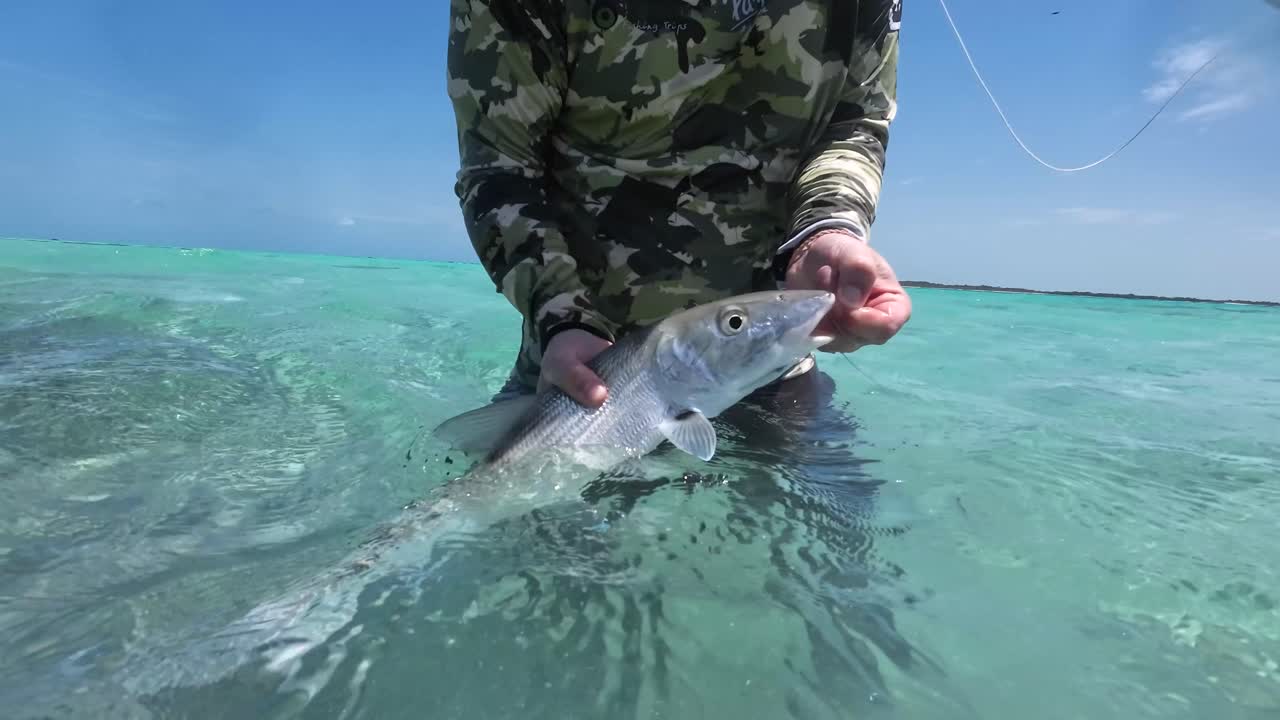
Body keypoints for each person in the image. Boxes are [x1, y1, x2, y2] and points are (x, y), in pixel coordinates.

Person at [447, 0, 912, 408]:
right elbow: (500, 165)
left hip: (769, 363)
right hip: (578, 369)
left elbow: (854, 122)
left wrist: (825, 230)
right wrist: (562, 315)